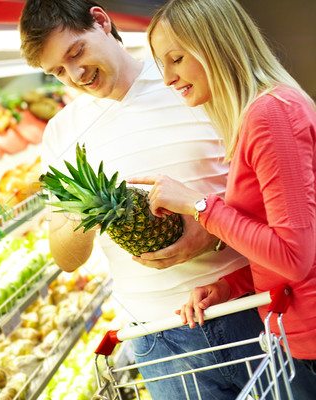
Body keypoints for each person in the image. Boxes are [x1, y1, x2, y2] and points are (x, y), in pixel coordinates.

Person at [19, 1, 272, 399]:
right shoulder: (61, 133)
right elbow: (67, 260)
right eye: (58, 71)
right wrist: (85, 210)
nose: (75, 74)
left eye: (76, 52)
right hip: (158, 338)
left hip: (248, 303)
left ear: (101, 21)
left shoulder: (188, 78)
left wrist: (213, 233)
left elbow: (268, 186)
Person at [129, 0, 316, 382]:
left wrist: (198, 206)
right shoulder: (261, 114)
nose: (167, 77)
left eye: (176, 58)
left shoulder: (272, 115)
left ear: (215, 45)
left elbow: (295, 257)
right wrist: (230, 286)